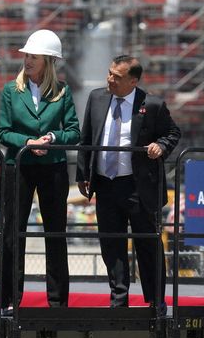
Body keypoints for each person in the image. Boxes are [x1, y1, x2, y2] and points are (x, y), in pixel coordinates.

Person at [76, 55, 180, 311]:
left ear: (133, 81)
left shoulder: (152, 105)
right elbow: (86, 136)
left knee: (147, 244)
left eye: (117, 77)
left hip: (138, 186)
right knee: (112, 244)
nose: (110, 79)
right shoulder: (97, 98)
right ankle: (118, 300)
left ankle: (156, 301)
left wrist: (161, 146)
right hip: (105, 184)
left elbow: (172, 133)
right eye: (110, 73)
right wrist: (82, 174)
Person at [0, 30, 80, 309]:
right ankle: (9, 300)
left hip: (53, 168)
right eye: (27, 56)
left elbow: (73, 132)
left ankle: (58, 301)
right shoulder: (11, 90)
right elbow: (3, 132)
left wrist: (53, 140)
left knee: (55, 233)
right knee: (12, 232)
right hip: (19, 166)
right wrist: (29, 143)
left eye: (33, 56)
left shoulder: (63, 91)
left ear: (48, 61)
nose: (27, 60)